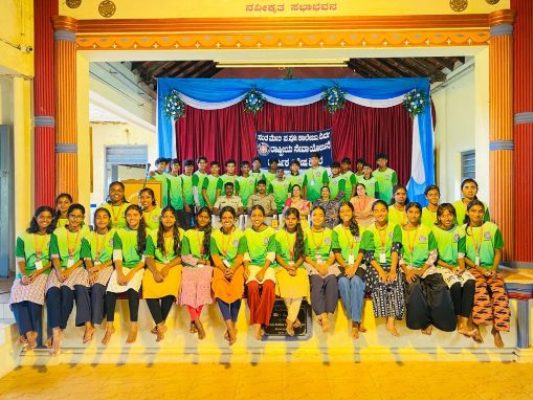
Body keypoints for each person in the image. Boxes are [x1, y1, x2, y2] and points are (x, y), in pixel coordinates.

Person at [400, 202, 455, 335]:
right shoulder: (399, 230)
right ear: (406, 213)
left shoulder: (426, 230)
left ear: (420, 214)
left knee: (440, 286)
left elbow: (433, 253)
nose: (413, 215)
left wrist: (422, 270)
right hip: (407, 268)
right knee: (414, 287)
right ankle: (422, 322)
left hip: (426, 267)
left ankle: (442, 321)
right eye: (410, 212)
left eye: (416, 212)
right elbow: (397, 254)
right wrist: (407, 271)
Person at [463, 200, 509, 347]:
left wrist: (494, 269)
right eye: (473, 211)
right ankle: (476, 325)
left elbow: (498, 251)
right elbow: (462, 256)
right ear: (467, 212)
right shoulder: (461, 230)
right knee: (479, 289)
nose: (477, 214)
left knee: (499, 291)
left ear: (484, 213)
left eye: (480, 211)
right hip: (473, 268)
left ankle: (497, 330)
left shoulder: (492, 228)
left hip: (491, 268)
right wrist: (478, 268)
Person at [46, 204, 91, 354]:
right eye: (73, 216)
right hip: (58, 268)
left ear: (83, 218)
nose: (75, 219)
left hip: (75, 269)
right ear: (68, 216)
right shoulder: (58, 232)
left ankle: (58, 331)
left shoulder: (86, 231)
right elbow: (54, 255)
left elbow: (84, 256)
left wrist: (69, 270)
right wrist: (59, 271)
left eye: (79, 216)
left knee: (67, 293)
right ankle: (55, 331)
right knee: (52, 293)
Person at [10, 206, 55, 351]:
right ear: (35, 218)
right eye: (42, 217)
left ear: (52, 219)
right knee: (16, 295)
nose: (45, 220)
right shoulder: (23, 236)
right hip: (25, 272)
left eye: (48, 217)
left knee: (33, 295)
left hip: (43, 272)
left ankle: (28, 335)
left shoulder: (52, 237)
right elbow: (20, 259)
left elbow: (52, 261)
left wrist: (37, 272)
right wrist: (23, 275)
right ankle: (29, 334)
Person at [103, 204, 147, 345]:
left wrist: (130, 274)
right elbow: (117, 255)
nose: (132, 217)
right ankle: (109, 326)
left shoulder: (147, 233)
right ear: (125, 217)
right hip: (122, 266)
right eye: (129, 215)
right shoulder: (119, 232)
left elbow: (144, 260)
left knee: (132, 289)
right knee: (110, 289)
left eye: (135, 215)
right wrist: (120, 273)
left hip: (138, 267)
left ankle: (133, 325)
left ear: (140, 216)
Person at [360, 200, 404, 336]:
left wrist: (392, 270)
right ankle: (383, 314)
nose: (380, 213)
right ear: (373, 213)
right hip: (375, 265)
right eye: (376, 211)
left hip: (392, 263)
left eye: (383, 210)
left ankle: (391, 321)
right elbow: (368, 255)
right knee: (381, 280)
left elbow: (395, 249)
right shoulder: (368, 231)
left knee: (395, 280)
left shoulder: (395, 227)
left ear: (387, 211)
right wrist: (381, 271)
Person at [432, 203, 476, 337]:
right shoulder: (433, 231)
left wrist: (461, 268)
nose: (447, 218)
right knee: (456, 284)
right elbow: (434, 258)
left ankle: (464, 322)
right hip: (441, 266)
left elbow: (461, 253)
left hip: (457, 266)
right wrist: (451, 268)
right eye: (443, 215)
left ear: (454, 216)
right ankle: (459, 320)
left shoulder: (459, 230)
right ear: (439, 217)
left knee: (470, 281)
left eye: (450, 215)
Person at [143, 206, 183, 342]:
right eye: (165, 216)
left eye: (171, 216)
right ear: (160, 219)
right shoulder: (153, 234)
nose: (168, 219)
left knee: (171, 286)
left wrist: (167, 267)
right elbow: (149, 256)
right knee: (148, 282)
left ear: (175, 219)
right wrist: (154, 272)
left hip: (174, 265)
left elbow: (182, 256)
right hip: (156, 264)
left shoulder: (182, 234)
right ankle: (160, 325)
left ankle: (158, 325)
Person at [210, 206, 246, 345]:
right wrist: (224, 269)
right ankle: (230, 327)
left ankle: (232, 325)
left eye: (230, 217)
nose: (227, 220)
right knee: (219, 286)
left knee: (237, 287)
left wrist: (232, 268)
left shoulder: (240, 235)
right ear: (220, 220)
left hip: (236, 266)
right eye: (224, 217)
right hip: (220, 266)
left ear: (235, 219)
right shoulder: (214, 235)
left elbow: (241, 255)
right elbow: (214, 255)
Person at [272, 208, 309, 336]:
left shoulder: (303, 234)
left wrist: (295, 267)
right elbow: (277, 256)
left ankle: (289, 320)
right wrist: (288, 267)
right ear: (284, 220)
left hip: (299, 266)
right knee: (286, 282)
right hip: (283, 266)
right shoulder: (278, 234)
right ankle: (294, 318)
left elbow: (303, 255)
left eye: (293, 218)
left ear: (298, 220)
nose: (290, 221)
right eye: (288, 219)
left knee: (300, 282)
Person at [333, 202, 367, 339]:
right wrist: (347, 267)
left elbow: (362, 250)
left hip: (358, 264)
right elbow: (336, 252)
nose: (345, 213)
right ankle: (356, 318)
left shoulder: (362, 229)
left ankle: (354, 323)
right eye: (342, 211)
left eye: (348, 210)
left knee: (357, 282)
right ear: (339, 214)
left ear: (353, 212)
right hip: (342, 265)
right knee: (343, 283)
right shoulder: (336, 230)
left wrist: (354, 266)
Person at [243, 205, 277, 340]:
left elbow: (271, 254)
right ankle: (261, 323)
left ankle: (257, 323)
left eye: (259, 215)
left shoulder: (271, 232)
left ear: (264, 217)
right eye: (253, 215)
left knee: (268, 286)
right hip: (252, 265)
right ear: (250, 217)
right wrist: (246, 268)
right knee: (252, 287)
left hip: (267, 266)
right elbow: (245, 253)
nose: (256, 218)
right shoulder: (246, 233)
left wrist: (263, 271)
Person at [82, 207, 116, 343]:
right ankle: (88, 325)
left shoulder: (115, 234)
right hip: (91, 268)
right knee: (82, 287)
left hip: (107, 267)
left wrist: (100, 267)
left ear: (109, 219)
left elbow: (116, 256)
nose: (101, 220)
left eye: (104, 217)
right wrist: (91, 270)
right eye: (98, 217)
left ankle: (95, 323)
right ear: (94, 220)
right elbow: (86, 257)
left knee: (97, 287)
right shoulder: (88, 237)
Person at [180, 207, 214, 340]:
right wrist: (200, 261)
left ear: (210, 219)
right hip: (190, 265)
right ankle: (198, 322)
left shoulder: (213, 234)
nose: (203, 219)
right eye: (201, 216)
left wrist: (206, 263)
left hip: (205, 267)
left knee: (203, 286)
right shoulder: (188, 233)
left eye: (206, 217)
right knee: (188, 287)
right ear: (196, 217)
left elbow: (215, 254)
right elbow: (184, 255)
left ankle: (194, 320)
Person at [304, 206, 339, 333]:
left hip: (328, 264)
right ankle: (323, 316)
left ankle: (328, 314)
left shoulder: (331, 232)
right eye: (314, 215)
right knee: (316, 281)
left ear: (324, 217)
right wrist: (316, 265)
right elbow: (304, 255)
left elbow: (333, 253)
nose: (317, 217)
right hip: (312, 264)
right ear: (310, 217)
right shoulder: (305, 232)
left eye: (320, 215)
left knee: (332, 280)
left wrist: (326, 265)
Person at [166, 158, 186, 226]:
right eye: (175, 165)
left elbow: (181, 192)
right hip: (171, 206)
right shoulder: (167, 177)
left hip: (180, 206)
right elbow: (167, 192)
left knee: (181, 226)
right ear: (171, 166)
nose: (177, 166)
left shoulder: (180, 178)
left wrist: (185, 204)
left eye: (178, 165)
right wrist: (168, 205)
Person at [180, 159, 195, 229]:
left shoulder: (194, 177)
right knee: (187, 225)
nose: (190, 168)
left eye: (191, 166)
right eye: (188, 166)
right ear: (184, 167)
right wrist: (185, 205)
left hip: (194, 205)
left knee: (195, 226)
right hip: (185, 205)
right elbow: (180, 192)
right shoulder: (180, 178)